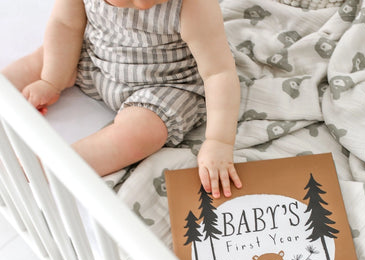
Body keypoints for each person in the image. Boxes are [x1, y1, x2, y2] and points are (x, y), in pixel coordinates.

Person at [1, 0, 242, 198]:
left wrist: (219, 142)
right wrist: (52, 80)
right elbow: (65, 25)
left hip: (166, 83)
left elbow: (218, 72)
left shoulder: (193, 6)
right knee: (45, 56)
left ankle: (51, 164)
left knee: (142, 133)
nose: (144, 3)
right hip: (98, 58)